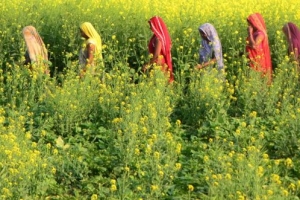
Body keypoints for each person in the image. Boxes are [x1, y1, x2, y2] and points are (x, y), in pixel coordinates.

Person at [144, 16, 174, 83]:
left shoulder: (158, 39)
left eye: (151, 25)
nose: (150, 28)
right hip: (160, 65)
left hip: (159, 66)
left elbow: (156, 55)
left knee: (159, 85)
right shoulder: (160, 37)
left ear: (156, 25)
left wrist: (148, 65)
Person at [246, 13, 272, 82]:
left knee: (259, 81)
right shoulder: (255, 33)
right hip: (253, 60)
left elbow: (254, 46)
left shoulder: (261, 34)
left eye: (250, 23)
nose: (249, 25)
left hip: (258, 62)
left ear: (255, 23)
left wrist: (249, 33)